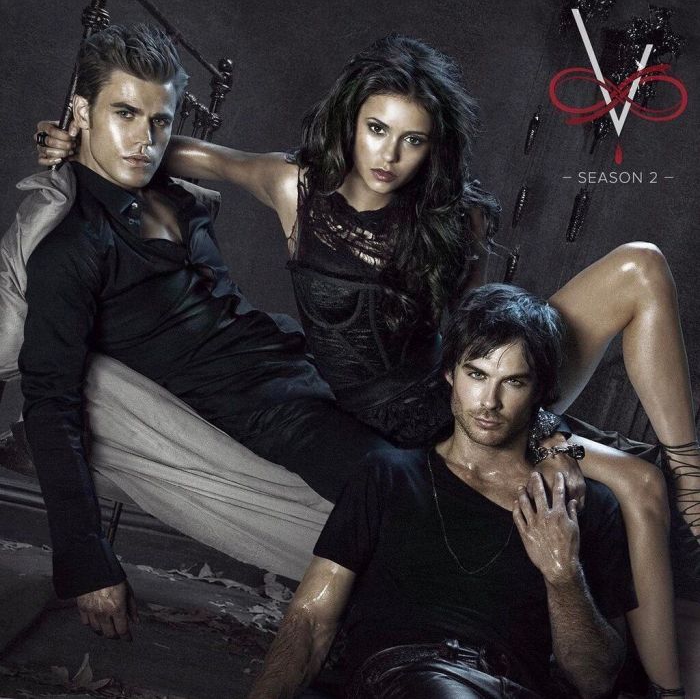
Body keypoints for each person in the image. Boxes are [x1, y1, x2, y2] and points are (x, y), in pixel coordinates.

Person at [34, 34, 690, 693]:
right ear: (351, 123)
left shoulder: (448, 219)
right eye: (376, 130)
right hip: (405, 416)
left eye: (412, 139)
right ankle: (658, 681)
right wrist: (77, 139)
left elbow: (472, 335)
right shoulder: (285, 190)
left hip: (458, 388)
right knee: (635, 485)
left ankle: (685, 475)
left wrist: (537, 429)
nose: (389, 156)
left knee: (640, 288)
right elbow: (192, 155)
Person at [248, 284, 641, 699]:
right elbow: (310, 620)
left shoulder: (580, 505)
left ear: (540, 391)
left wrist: (563, 574)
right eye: (477, 375)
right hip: (399, 678)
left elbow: (595, 680)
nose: (490, 401)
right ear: (450, 374)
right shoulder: (388, 477)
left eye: (514, 382)